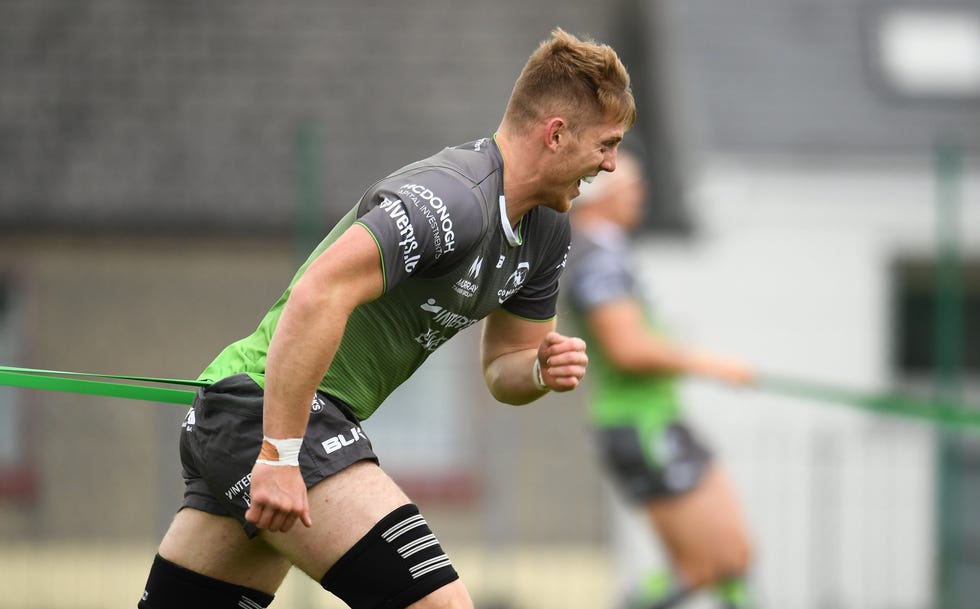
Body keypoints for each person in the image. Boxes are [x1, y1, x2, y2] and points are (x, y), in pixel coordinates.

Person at [138, 27, 635, 609]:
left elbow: (504, 367)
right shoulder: (453, 199)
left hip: (273, 422)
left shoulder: (546, 232)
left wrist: (541, 371)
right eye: (607, 144)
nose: (612, 164)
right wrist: (279, 453)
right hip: (264, 411)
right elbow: (317, 294)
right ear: (556, 134)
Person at [563, 150, 754, 609]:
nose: (641, 196)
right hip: (640, 425)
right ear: (600, 197)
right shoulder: (596, 259)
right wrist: (712, 364)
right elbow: (627, 350)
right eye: (631, 187)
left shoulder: (609, 251)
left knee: (734, 556)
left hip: (660, 418)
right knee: (701, 566)